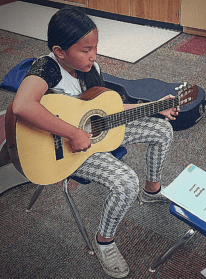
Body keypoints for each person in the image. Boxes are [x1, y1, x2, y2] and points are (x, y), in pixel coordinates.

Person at [12, 6, 179, 279]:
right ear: (60, 51)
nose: (94, 56)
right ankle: (104, 242)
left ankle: (152, 191)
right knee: (126, 182)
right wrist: (72, 132)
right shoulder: (47, 68)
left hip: (96, 135)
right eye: (86, 50)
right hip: (66, 150)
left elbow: (104, 108)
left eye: (95, 47)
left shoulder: (91, 70)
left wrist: (153, 106)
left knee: (161, 130)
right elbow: (21, 106)